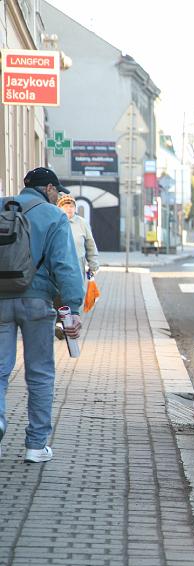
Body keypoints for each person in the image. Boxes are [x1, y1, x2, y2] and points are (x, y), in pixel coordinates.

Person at [0, 167, 84, 462]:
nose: (58, 196)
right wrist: (73, 308)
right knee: (39, 373)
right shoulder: (54, 216)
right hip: (37, 303)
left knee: (0, 368)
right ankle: (36, 445)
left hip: (0, 301)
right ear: (48, 188)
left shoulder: (2, 207)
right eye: (57, 191)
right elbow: (65, 266)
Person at [57, 195, 100, 291]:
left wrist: (93, 265)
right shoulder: (55, 223)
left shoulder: (82, 223)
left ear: (75, 208)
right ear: (59, 208)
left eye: (71, 206)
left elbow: (90, 245)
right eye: (66, 206)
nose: (69, 209)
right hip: (58, 268)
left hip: (77, 268)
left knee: (75, 296)